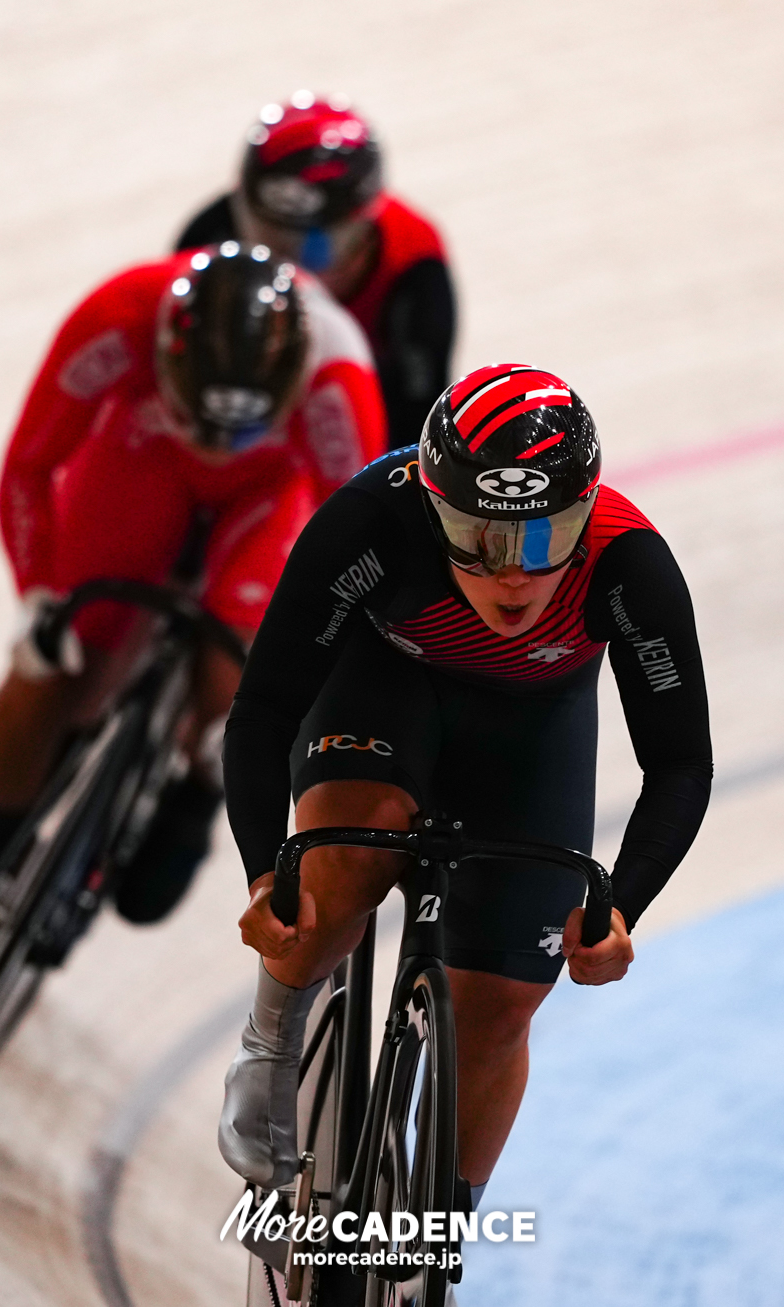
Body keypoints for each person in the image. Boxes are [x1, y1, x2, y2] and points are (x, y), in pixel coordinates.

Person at [215, 363, 714, 1214]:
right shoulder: (372, 522)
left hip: (531, 727)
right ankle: (272, 1036)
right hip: (384, 686)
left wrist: (620, 905)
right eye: (478, 537)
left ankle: (436, 1236)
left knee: (505, 1000)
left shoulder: (630, 562)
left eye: (539, 538)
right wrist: (267, 876)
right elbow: (262, 711)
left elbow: (679, 764)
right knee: (332, 884)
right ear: (431, 505)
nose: (512, 576)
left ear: (587, 510)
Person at [0, 242, 388, 1013]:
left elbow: (355, 555)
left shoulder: (338, 382)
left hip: (267, 492)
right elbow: (29, 467)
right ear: (166, 358)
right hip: (143, 458)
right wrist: (38, 600)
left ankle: (198, 780)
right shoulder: (116, 319)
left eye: (237, 426)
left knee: (233, 679)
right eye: (202, 416)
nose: (216, 438)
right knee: (55, 673)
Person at [177, 91, 456, 451]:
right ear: (241, 214)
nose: (298, 269)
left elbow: (418, 414)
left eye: (330, 244)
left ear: (367, 226)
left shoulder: (414, 263)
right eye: (271, 239)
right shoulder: (207, 239)